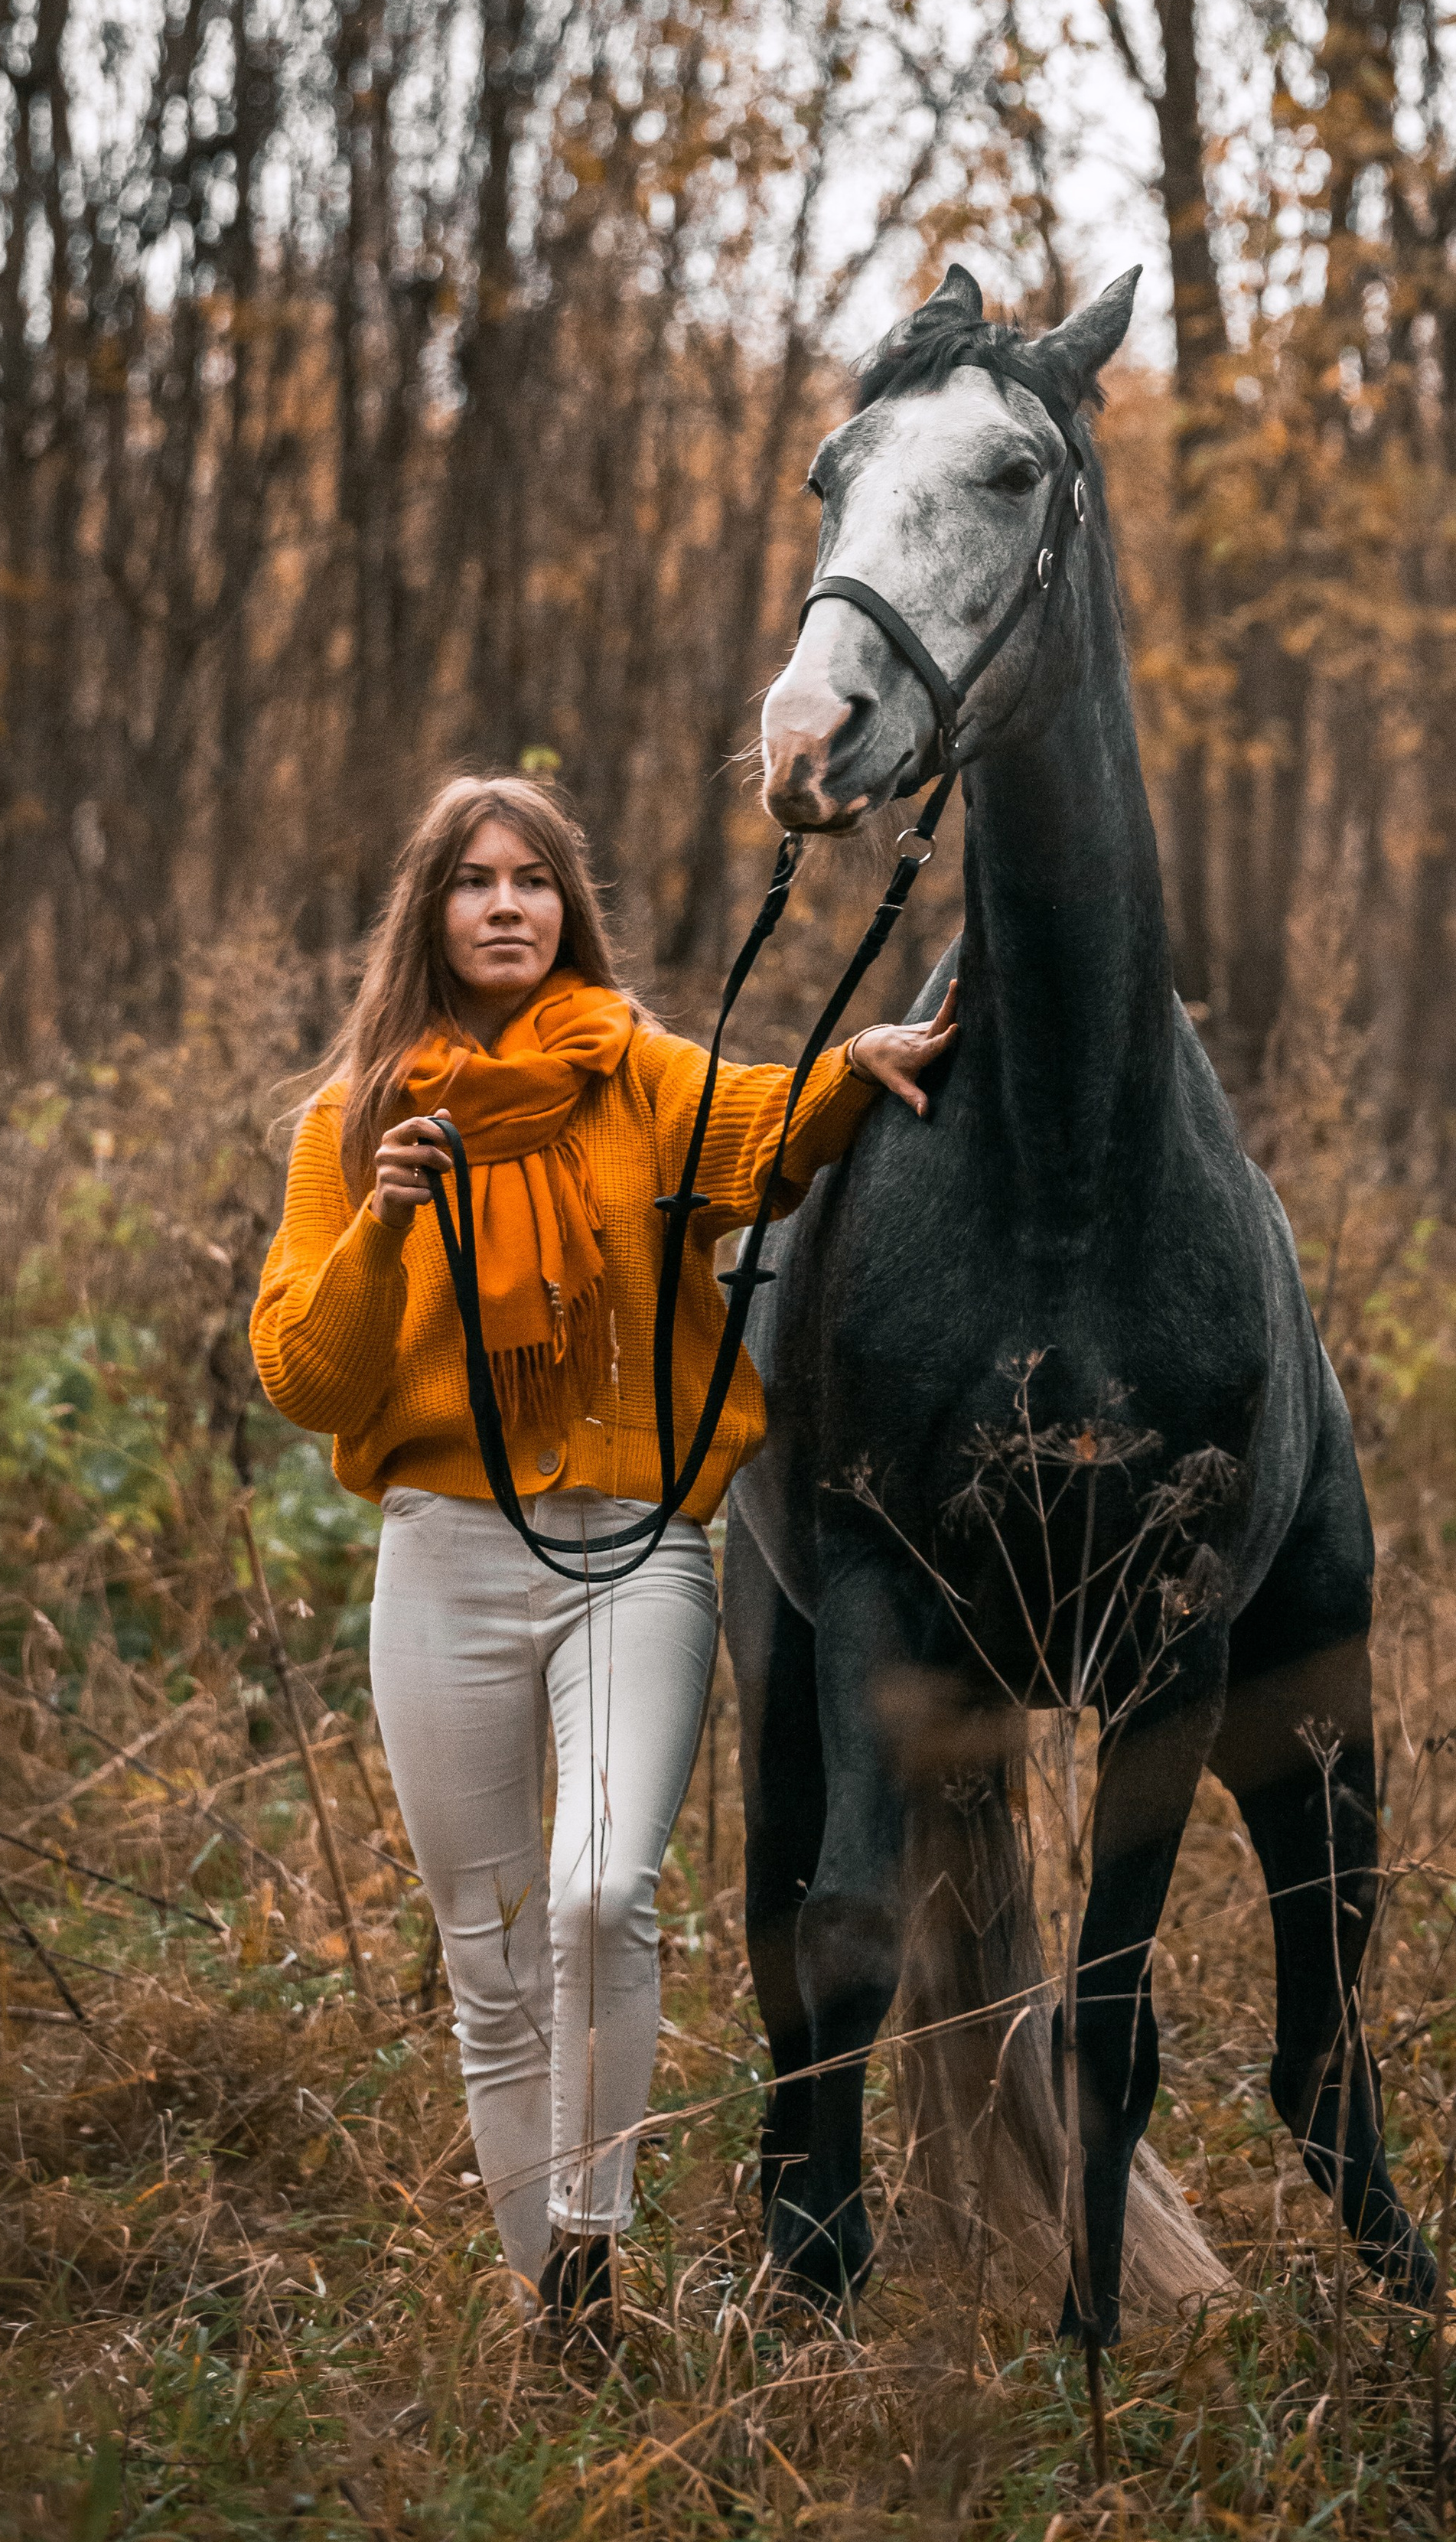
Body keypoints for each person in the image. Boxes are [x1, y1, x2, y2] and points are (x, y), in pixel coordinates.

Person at [249, 774, 956, 2334]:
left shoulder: (634, 1078)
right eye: (472, 881)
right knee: (491, 1954)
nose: (505, 905)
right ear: (427, 912)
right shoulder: (349, 1121)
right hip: (442, 1560)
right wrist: (383, 1222)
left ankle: (586, 2217)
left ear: (567, 907)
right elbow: (307, 1376)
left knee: (598, 1894)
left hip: (637, 1553)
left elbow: (766, 1132)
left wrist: (858, 1063)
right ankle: (557, 2311)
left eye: (533, 880)